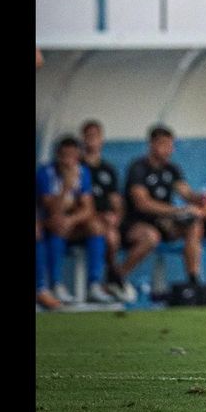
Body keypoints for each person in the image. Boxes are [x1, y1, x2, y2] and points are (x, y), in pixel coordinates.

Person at [116, 125, 206, 292]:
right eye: (164, 144)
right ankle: (117, 277)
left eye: (171, 145)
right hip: (136, 223)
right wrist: (178, 211)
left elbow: (186, 193)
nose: (169, 149)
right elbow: (142, 203)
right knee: (150, 237)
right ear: (153, 144)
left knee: (193, 224)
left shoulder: (172, 169)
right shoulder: (138, 168)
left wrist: (201, 198)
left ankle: (193, 280)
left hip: (163, 223)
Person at [36, 137, 115, 304]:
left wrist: (71, 220)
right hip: (49, 224)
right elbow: (53, 210)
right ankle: (55, 285)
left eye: (73, 156)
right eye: (65, 155)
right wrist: (65, 187)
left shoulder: (83, 172)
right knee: (58, 226)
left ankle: (94, 285)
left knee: (96, 227)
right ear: (58, 156)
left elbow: (88, 208)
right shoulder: (45, 174)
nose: (68, 161)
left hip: (69, 223)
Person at [81, 119, 132, 301]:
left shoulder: (108, 169)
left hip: (106, 222)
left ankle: (111, 279)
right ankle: (98, 283)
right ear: (83, 139)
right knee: (99, 228)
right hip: (85, 220)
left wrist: (116, 218)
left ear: (102, 139)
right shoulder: (78, 167)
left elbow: (116, 200)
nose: (92, 140)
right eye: (88, 136)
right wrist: (99, 216)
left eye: (96, 136)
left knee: (112, 236)